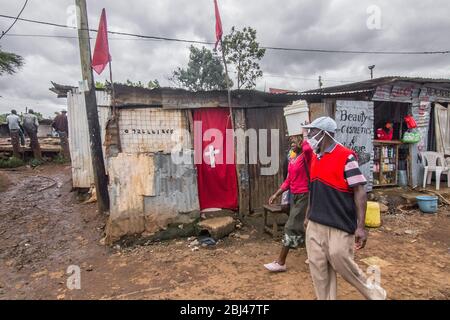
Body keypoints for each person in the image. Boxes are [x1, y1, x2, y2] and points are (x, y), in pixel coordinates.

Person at [302, 117, 386, 300]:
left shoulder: (345, 156)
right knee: (318, 266)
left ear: (325, 134)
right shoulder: (315, 157)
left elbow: (360, 190)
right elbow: (313, 188)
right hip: (316, 222)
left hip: (339, 222)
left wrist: (361, 226)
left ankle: (373, 293)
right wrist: (308, 215)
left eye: (313, 131)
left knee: (340, 259)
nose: (309, 135)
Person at [264, 129, 312, 272]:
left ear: (301, 142)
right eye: (290, 140)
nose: (291, 143)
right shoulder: (293, 159)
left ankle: (280, 262)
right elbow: (288, 180)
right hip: (295, 196)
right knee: (305, 227)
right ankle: (315, 255)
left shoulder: (306, 156)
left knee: (290, 226)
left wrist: (304, 133)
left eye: (294, 140)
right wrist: (276, 194)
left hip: (305, 196)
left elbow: (308, 147)